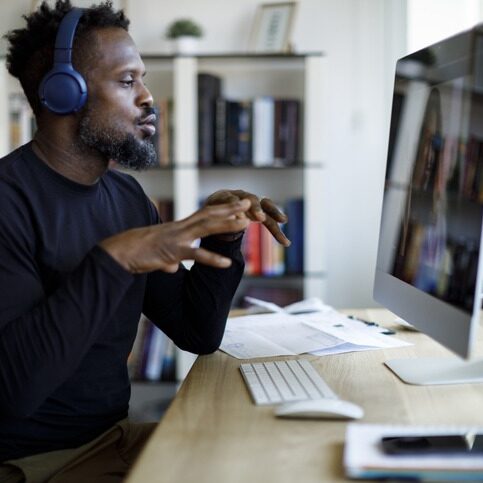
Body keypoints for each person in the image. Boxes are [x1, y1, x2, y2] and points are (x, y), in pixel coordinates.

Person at [0, 1, 290, 481]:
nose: (148, 98)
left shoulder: (127, 197)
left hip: (113, 438)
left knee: (267, 454)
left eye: (144, 79)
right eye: (128, 81)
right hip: (35, 463)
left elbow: (196, 332)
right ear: (63, 93)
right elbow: (14, 392)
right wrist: (115, 259)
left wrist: (223, 237)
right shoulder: (9, 201)